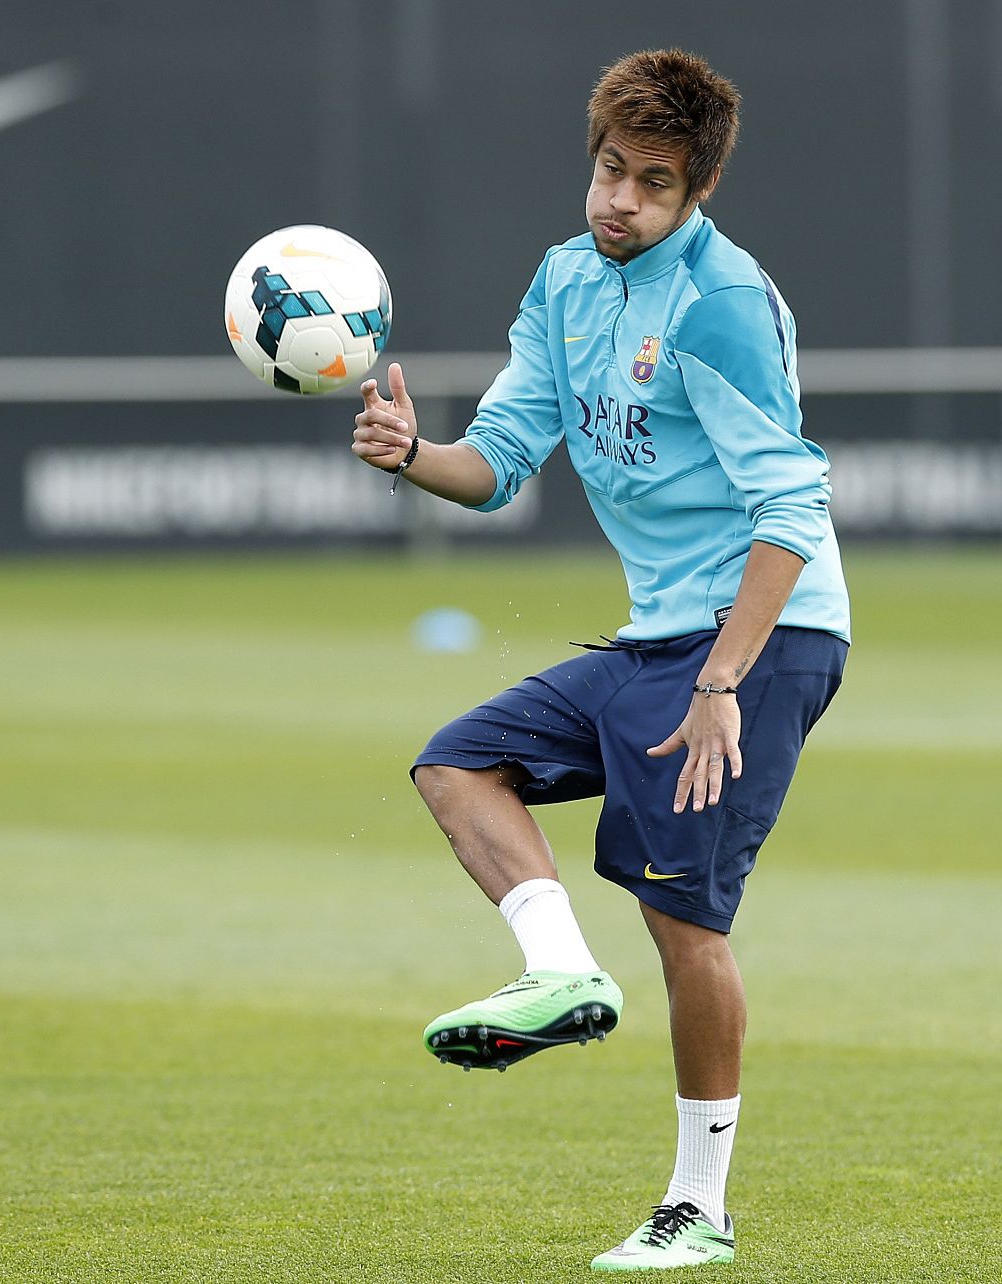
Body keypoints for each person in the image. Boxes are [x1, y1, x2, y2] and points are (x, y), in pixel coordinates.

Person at [352, 48, 849, 1272]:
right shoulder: (568, 280)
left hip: (766, 635)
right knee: (457, 764)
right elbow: (503, 462)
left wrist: (724, 680)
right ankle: (563, 976)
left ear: (697, 193)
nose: (618, 199)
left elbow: (792, 510)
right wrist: (416, 454)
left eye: (653, 183)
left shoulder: (718, 304)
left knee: (683, 918)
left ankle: (698, 1208)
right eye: (609, 170)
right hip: (659, 635)